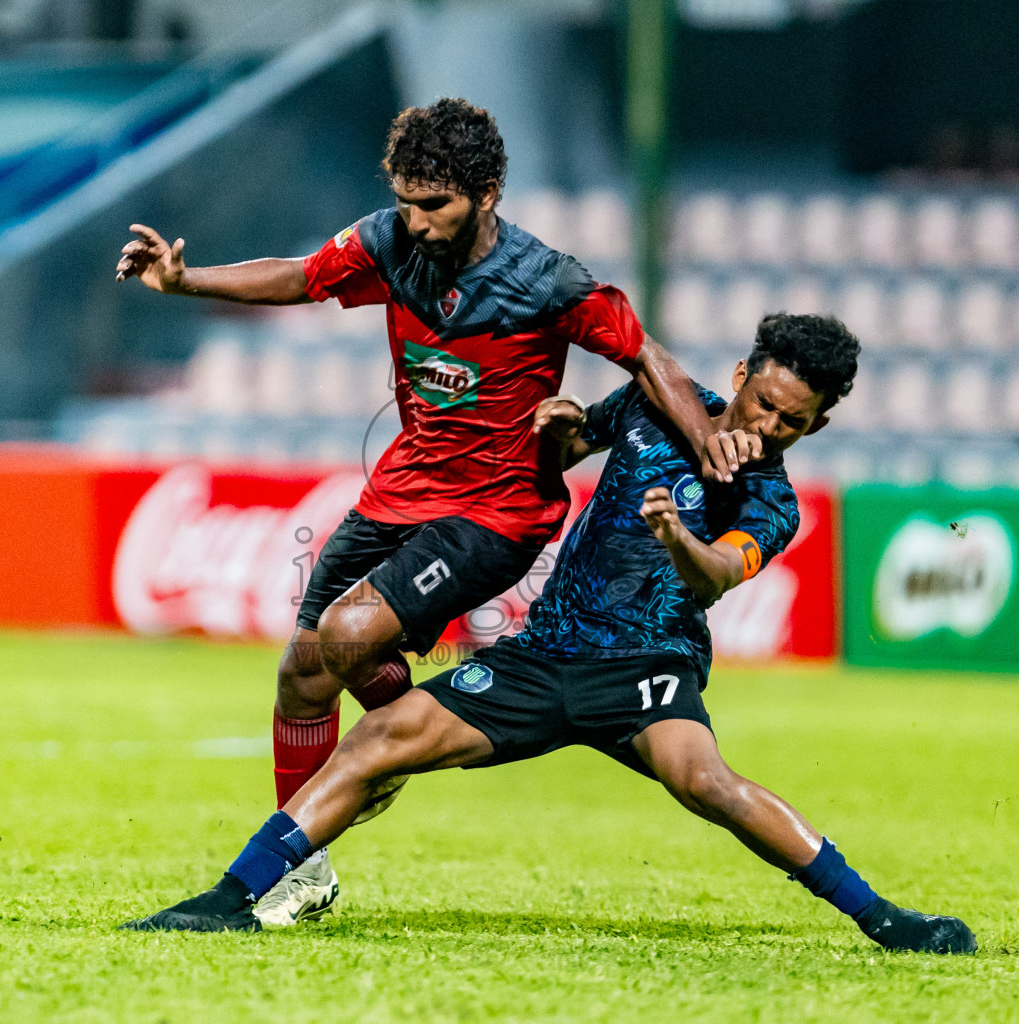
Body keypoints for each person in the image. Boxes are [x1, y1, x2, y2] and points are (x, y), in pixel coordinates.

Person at [120, 313, 979, 955]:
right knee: (382, 737)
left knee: (706, 782)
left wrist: (681, 540)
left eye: (793, 421)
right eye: (764, 401)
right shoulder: (651, 404)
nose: (769, 425)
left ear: (816, 426)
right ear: (743, 372)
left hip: (647, 670)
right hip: (543, 656)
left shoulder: (770, 502)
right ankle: (234, 895)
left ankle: (882, 918)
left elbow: (718, 574)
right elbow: (568, 450)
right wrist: (561, 429)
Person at [116, 98, 745, 926]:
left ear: (488, 193)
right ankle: (301, 875)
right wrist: (185, 279)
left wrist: (710, 444)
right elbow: (303, 275)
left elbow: (646, 357)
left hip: (498, 513)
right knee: (303, 673)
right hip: (402, 489)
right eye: (405, 199)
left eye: (434, 204)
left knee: (346, 637)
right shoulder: (387, 239)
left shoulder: (549, 281)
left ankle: (407, 730)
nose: (414, 221)